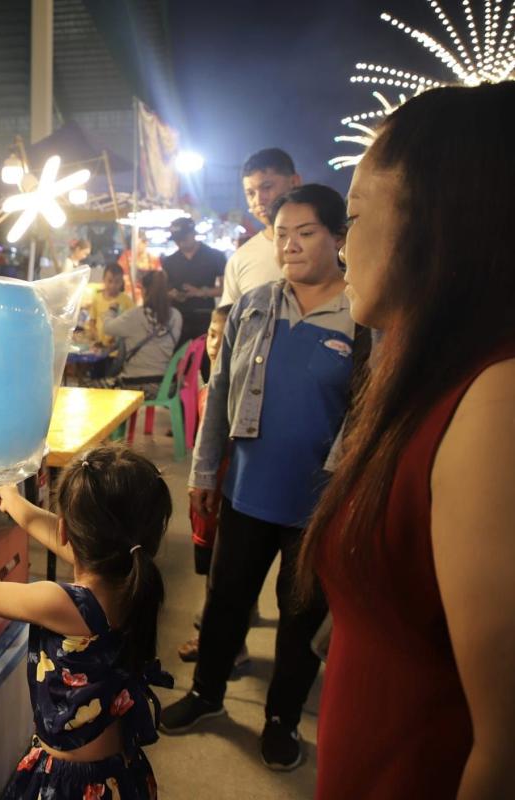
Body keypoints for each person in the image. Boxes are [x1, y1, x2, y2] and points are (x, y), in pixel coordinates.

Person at [299, 83, 515, 799]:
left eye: (354, 217)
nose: (342, 246)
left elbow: (504, 753)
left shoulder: (495, 404)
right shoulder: (427, 377)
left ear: (442, 218)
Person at [161, 184, 362, 771]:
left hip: (318, 505)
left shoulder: (362, 316)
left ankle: (281, 720)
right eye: (282, 234)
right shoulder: (254, 306)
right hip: (246, 490)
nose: (290, 245)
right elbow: (220, 392)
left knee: (299, 617)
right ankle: (206, 694)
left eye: (306, 233)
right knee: (225, 600)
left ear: (339, 237)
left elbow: (368, 414)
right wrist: (204, 471)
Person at [0, 444, 172, 800]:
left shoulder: (63, 603)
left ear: (65, 533)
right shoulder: (132, 582)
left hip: (70, 784)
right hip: (119, 775)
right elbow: (73, 541)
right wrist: (16, 504)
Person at [178, 303, 254, 673]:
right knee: (213, 572)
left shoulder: (237, 393)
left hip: (229, 496)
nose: (214, 344)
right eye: (211, 335)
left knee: (225, 576)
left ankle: (229, 645)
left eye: (225, 338)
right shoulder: (208, 388)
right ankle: (215, 633)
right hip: (209, 497)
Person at [219, 148, 302, 307]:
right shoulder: (241, 259)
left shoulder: (331, 245)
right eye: (250, 193)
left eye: (267, 187)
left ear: (294, 182)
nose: (258, 200)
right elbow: (226, 317)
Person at [101, 270, 182, 399]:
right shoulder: (176, 316)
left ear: (144, 291)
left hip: (136, 386)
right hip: (166, 386)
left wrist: (111, 310)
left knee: (89, 388)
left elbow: (108, 327)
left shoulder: (135, 315)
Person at [162, 217, 225, 347]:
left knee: (204, 354)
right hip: (177, 319)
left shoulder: (215, 257)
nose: (180, 242)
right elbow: (163, 290)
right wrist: (172, 294)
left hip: (205, 316)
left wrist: (200, 292)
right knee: (179, 357)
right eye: (177, 240)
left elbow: (226, 289)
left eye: (184, 238)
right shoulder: (169, 261)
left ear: (194, 234)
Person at [85, 263, 135, 348]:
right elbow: (92, 321)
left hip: (118, 348)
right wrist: (96, 336)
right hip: (100, 346)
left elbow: (132, 322)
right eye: (110, 281)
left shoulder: (126, 300)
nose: (113, 285)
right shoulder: (97, 298)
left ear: (121, 282)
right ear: (104, 280)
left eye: (117, 282)